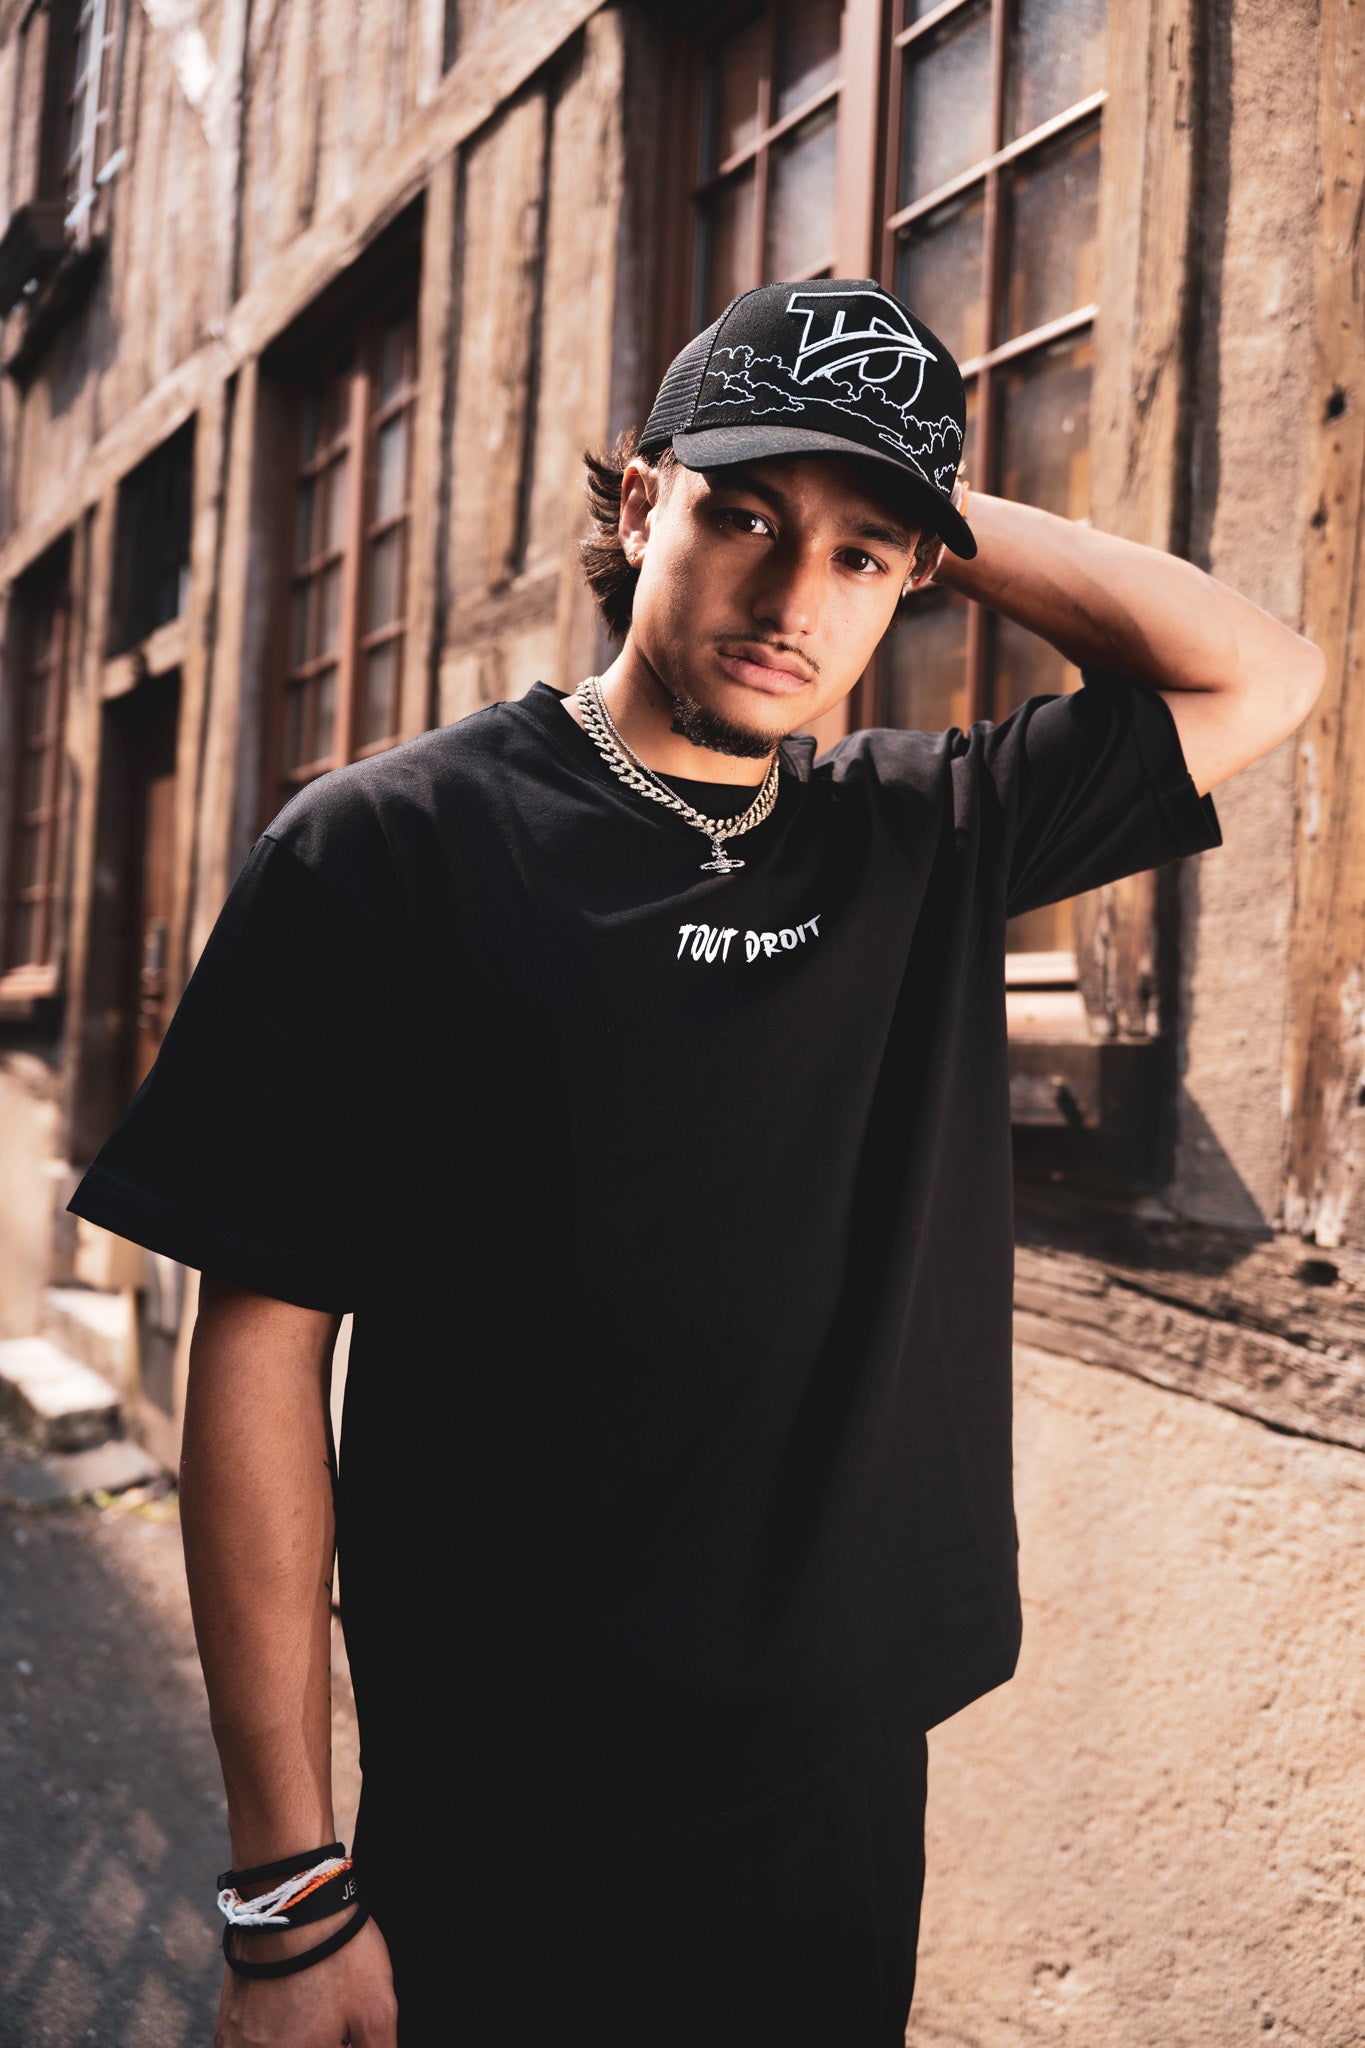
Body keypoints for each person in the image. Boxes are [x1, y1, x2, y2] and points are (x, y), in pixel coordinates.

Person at [68, 279, 1323, 2047]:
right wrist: (288, 1893)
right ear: (641, 498)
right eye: (745, 516)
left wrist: (920, 502)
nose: (793, 599)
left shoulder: (925, 832)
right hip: (510, 1805)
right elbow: (263, 1345)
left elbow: (1263, 669)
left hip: (832, 1801)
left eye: (859, 559)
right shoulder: (388, 847)